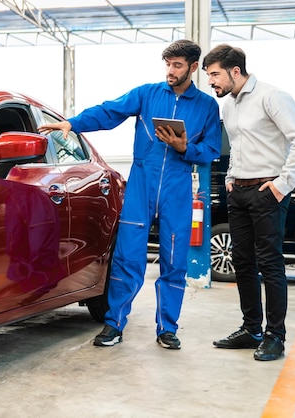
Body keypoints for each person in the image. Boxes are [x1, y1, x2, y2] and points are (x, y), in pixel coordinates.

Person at [38, 39, 221, 350]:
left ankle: (167, 329)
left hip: (177, 188)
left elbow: (212, 150)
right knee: (127, 257)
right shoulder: (147, 94)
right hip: (141, 184)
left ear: (193, 67)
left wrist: (185, 148)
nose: (170, 71)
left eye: (177, 66)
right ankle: (114, 324)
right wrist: (74, 122)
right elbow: (110, 111)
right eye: (168, 65)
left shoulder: (206, 106)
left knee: (174, 261)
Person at [203, 44, 295, 361]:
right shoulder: (229, 105)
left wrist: (282, 185)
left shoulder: (272, 96)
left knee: (269, 263)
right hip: (237, 191)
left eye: (214, 74)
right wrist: (229, 175)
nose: (211, 82)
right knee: (243, 262)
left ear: (234, 71)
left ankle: (275, 336)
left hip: (267, 191)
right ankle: (251, 329)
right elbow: (239, 146)